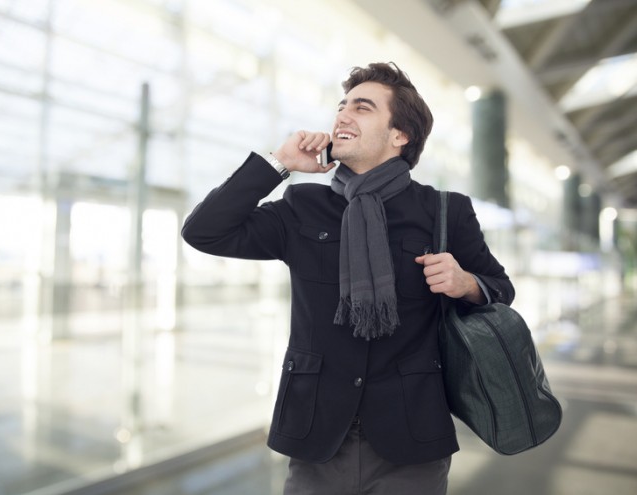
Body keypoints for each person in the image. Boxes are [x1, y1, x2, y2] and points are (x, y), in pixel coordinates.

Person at [181, 62, 514, 495]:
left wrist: (466, 282)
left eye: (362, 107)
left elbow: (499, 288)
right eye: (342, 106)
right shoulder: (303, 205)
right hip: (317, 432)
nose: (342, 116)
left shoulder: (443, 210)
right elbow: (204, 231)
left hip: (410, 436)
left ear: (400, 135)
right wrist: (280, 163)